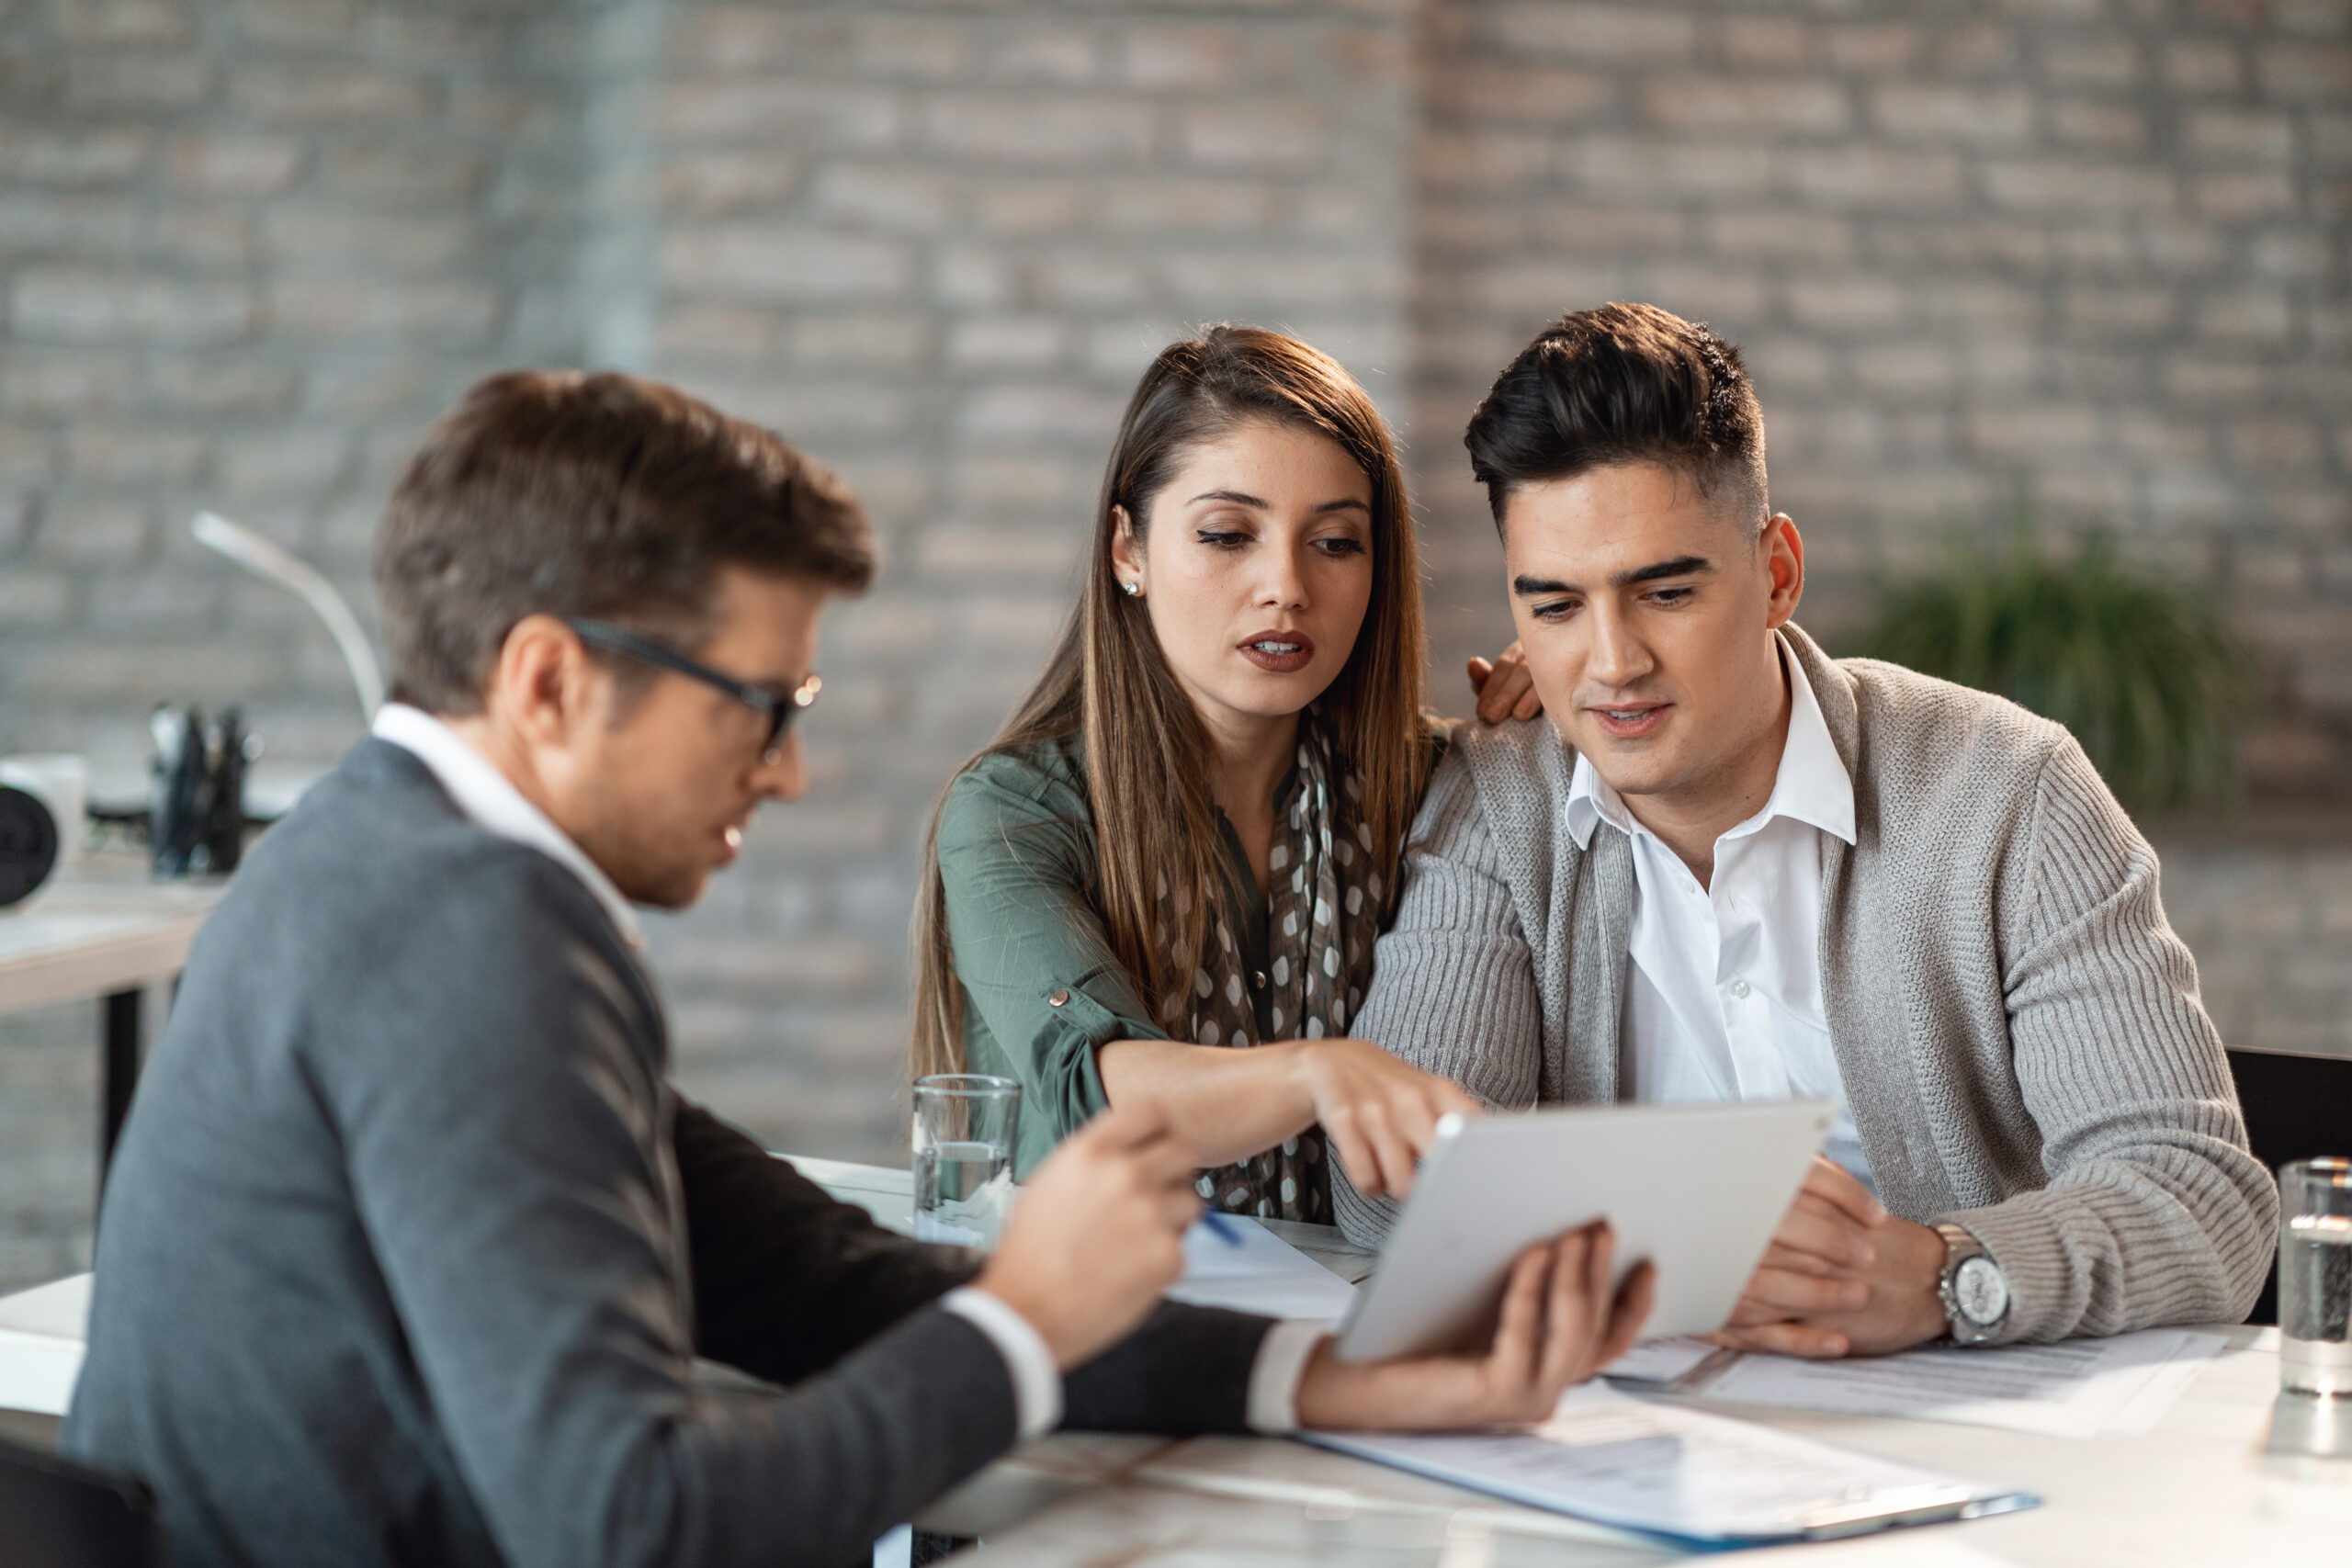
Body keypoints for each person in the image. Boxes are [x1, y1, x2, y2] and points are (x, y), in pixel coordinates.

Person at [63, 370, 1652, 1568]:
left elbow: (824, 1283)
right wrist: (1025, 1318)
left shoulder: (373, 864)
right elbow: (637, 1522)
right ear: (550, 680)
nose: (789, 770)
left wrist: (1339, 1375)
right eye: (760, 702)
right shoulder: (467, 935)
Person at [1335, 303, 2277, 1356]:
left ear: (1776, 572)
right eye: (1554, 608)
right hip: (1624, 1442)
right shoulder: (1498, 807)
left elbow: (2201, 1202)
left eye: (1665, 591)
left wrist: (1944, 1275)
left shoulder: (2009, 793)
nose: (1611, 662)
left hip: (1970, 1441)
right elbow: (1394, 1195)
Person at [915, 327, 1517, 1224]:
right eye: (1228, 533)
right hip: (1089, 1321)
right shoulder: (1011, 811)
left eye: (1337, 543)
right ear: (1127, 550)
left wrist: (1569, 696)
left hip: (1344, 1325)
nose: (1286, 585)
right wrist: (1321, 1073)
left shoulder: (1433, 783)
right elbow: (1106, 1093)